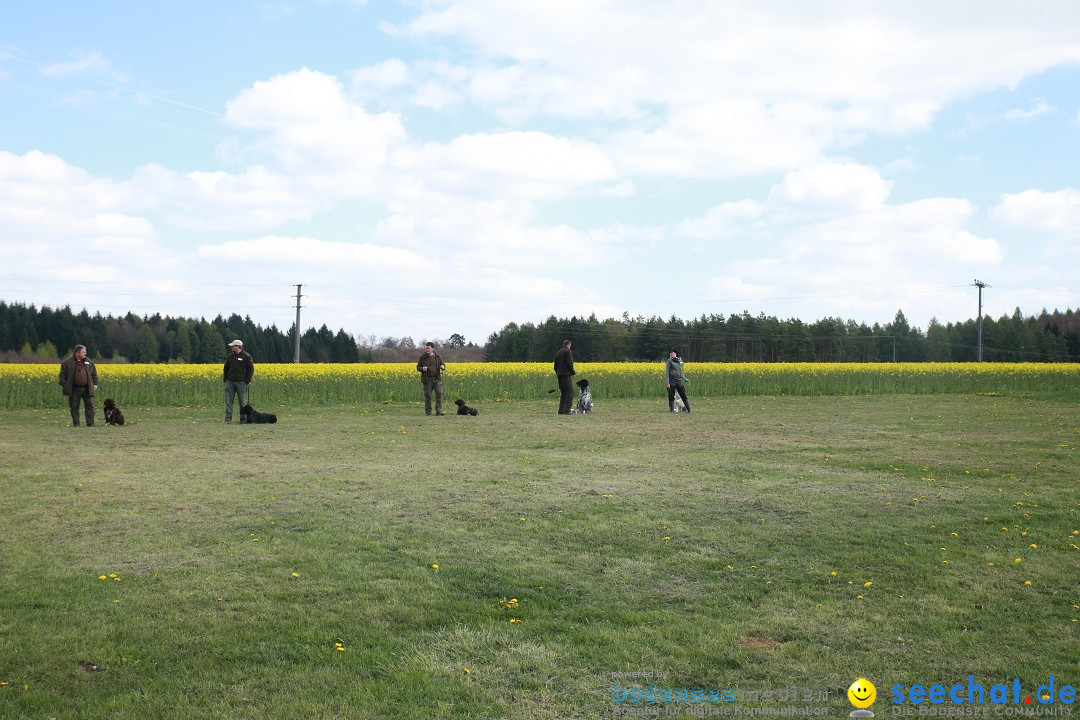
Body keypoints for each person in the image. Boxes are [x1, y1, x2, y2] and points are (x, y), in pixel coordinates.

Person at [58, 344, 98, 427]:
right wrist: (65, 385)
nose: (85, 354)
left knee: (90, 406)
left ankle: (90, 424)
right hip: (74, 389)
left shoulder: (89, 362)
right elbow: (62, 375)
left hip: (87, 388)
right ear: (77, 353)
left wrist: (95, 384)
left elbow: (94, 374)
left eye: (85, 352)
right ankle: (76, 424)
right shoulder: (67, 363)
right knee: (74, 407)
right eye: (83, 352)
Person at [223, 339, 254, 424]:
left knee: (242, 402)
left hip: (242, 383)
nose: (231, 347)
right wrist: (225, 378)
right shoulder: (230, 356)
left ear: (238, 346)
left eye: (233, 346)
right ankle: (228, 419)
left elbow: (250, 369)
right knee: (229, 401)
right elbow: (226, 367)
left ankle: (243, 418)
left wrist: (247, 380)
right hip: (230, 382)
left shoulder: (246, 356)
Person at [417, 342, 446, 416]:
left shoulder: (437, 357)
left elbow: (443, 364)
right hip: (427, 380)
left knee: (439, 394)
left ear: (432, 349)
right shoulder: (422, 357)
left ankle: (438, 411)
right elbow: (418, 367)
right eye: (426, 348)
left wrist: (442, 367)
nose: (426, 349)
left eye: (428, 348)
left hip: (437, 379)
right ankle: (428, 412)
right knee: (428, 396)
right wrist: (422, 368)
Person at [665, 348, 691, 413]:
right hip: (672, 381)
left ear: (675, 353)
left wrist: (684, 379)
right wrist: (667, 383)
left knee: (683, 395)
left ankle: (688, 409)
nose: (671, 354)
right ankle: (672, 410)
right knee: (671, 395)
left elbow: (681, 372)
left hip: (679, 381)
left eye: (672, 353)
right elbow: (667, 372)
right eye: (670, 353)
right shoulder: (669, 361)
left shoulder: (680, 361)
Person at [554, 339, 575, 415]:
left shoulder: (558, 352)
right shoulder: (568, 352)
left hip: (559, 375)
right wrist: (573, 372)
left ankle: (561, 410)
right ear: (569, 345)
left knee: (563, 393)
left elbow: (555, 365)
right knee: (570, 392)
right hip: (566, 375)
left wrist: (558, 373)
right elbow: (569, 363)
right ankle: (567, 410)